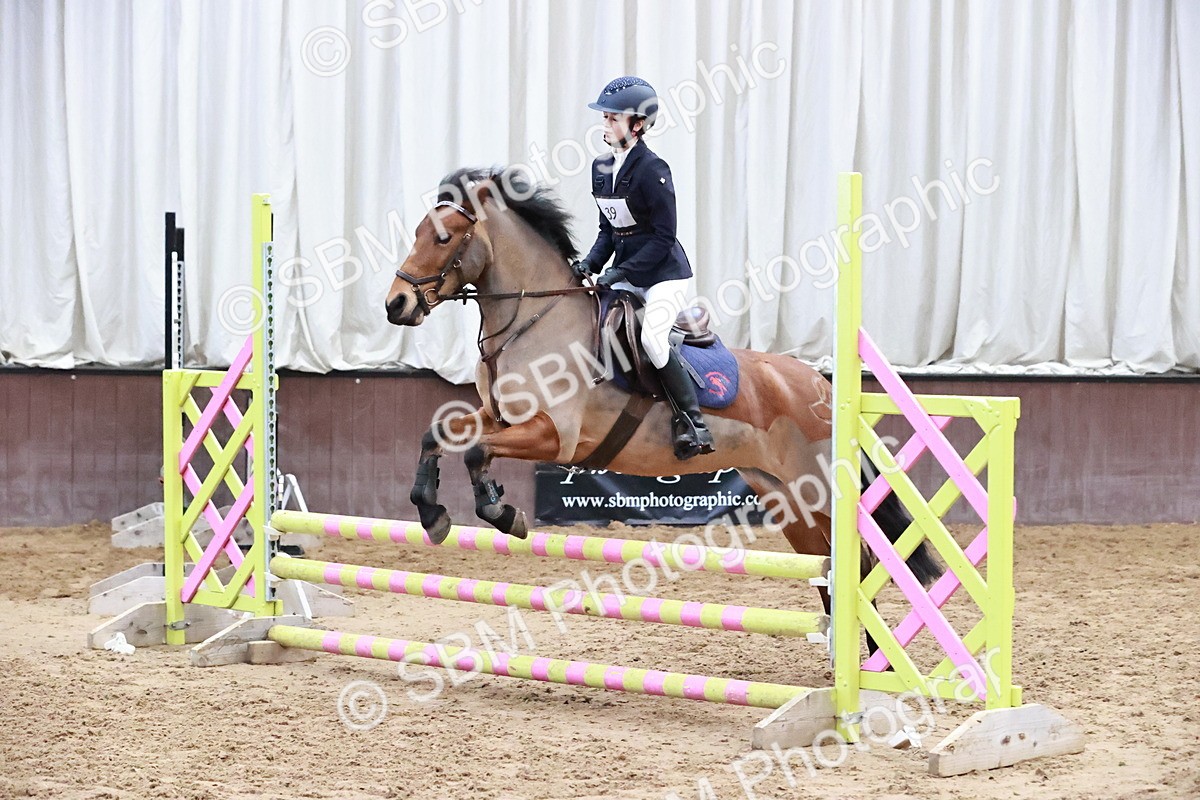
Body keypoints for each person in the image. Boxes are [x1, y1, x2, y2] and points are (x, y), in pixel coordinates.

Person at [572, 76, 715, 460]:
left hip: (664, 276)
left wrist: (624, 272)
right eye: (604, 118)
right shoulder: (601, 166)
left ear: (637, 124)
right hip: (629, 271)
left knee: (652, 338)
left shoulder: (654, 169)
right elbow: (609, 227)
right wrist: (591, 262)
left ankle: (693, 422)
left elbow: (664, 237)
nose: (605, 126)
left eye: (613, 119)